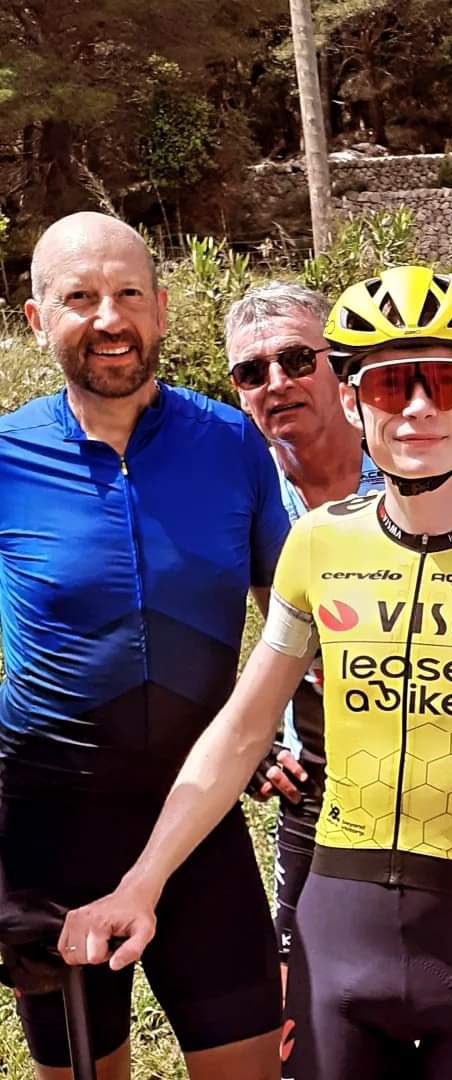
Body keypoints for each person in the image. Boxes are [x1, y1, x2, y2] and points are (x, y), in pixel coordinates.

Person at [60, 266, 452, 1080]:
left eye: (441, 382)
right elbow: (243, 725)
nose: (416, 409)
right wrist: (142, 880)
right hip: (338, 925)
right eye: (388, 386)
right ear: (352, 400)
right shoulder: (319, 543)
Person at [0, 213, 286, 1079]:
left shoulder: (232, 442)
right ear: (37, 319)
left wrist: (284, 728)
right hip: (51, 828)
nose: (109, 317)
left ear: (161, 308)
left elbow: (286, 613)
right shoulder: (7, 456)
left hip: (199, 816)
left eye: (128, 293)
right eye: (79, 297)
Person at [222, 281, 452, 979]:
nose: (277, 383)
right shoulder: (241, 487)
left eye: (297, 359)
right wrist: (249, 742)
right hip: (319, 781)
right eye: (251, 372)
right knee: (311, 999)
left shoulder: (428, 457)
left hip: (447, 777)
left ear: (342, 374)